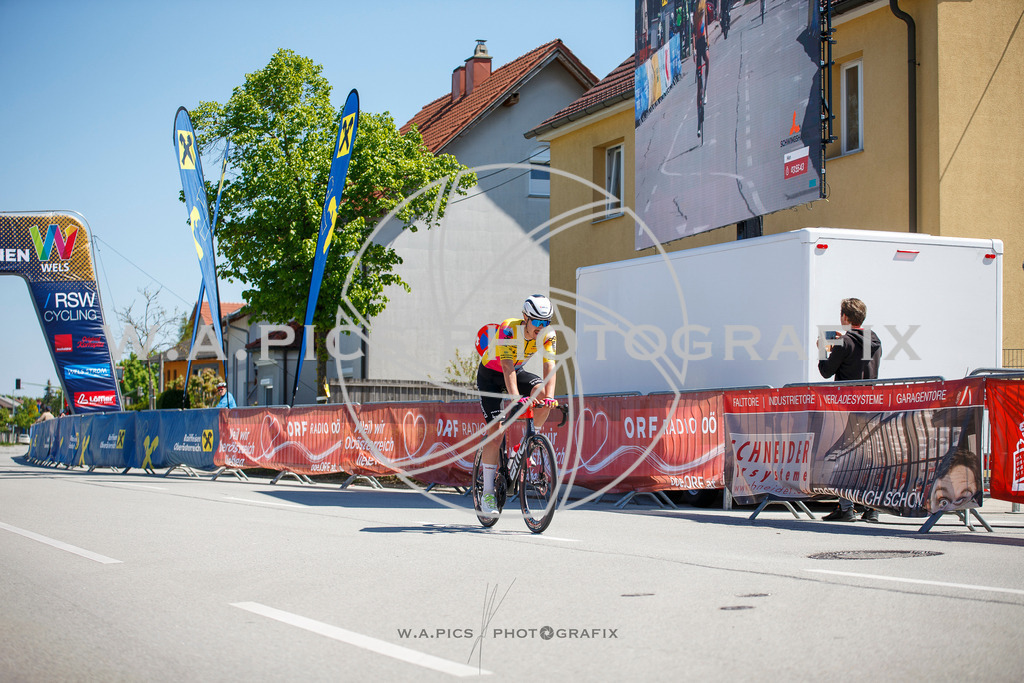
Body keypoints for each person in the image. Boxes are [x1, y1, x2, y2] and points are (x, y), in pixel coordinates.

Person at [476, 295, 559, 517]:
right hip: (491, 376)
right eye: (537, 322)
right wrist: (514, 397)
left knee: (542, 394)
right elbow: (506, 364)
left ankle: (529, 442)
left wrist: (549, 398)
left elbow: (549, 364)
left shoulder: (549, 334)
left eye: (546, 322)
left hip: (517, 371)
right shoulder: (508, 329)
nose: (542, 328)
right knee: (497, 432)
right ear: (525, 318)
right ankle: (488, 493)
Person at [818, 297, 882, 522]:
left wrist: (823, 350)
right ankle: (871, 508)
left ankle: (845, 508)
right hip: (869, 405)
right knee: (865, 458)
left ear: (844, 317)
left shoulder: (844, 343)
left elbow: (826, 371)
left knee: (841, 456)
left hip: (846, 405)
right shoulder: (875, 340)